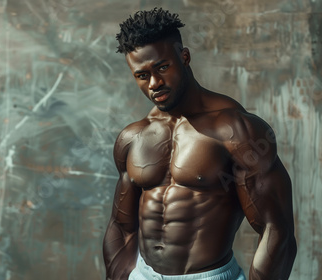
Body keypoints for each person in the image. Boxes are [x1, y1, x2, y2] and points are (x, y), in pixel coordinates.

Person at [102, 8, 297, 280]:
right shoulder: (133, 137)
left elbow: (276, 230)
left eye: (162, 67)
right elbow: (122, 227)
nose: (155, 83)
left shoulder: (237, 131)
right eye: (142, 75)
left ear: (184, 57)